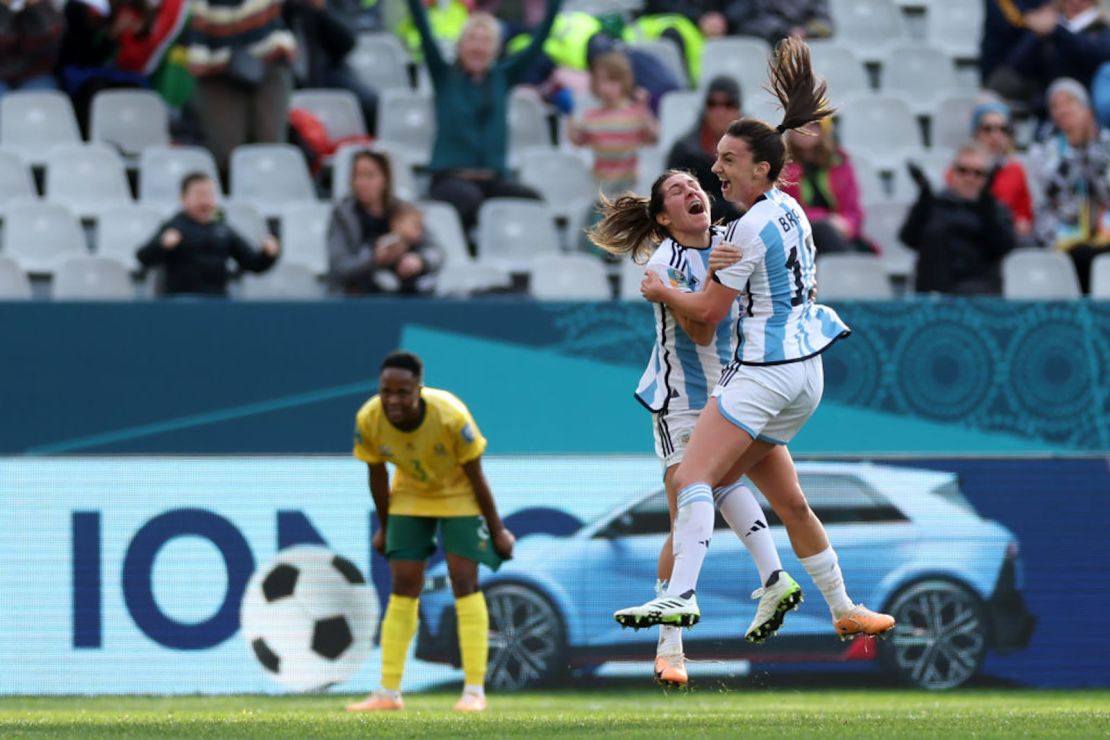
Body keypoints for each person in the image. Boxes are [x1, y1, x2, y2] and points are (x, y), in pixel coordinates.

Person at [614, 38, 894, 642]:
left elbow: (709, 313)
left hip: (761, 370)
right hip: (806, 372)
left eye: (726, 161)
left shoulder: (739, 229)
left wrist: (664, 293)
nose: (714, 172)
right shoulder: (790, 208)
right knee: (785, 499)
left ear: (762, 168)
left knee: (693, 480)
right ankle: (839, 604)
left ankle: (680, 600)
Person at [589, 170, 803, 687]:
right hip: (684, 402)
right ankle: (676, 648)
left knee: (778, 496)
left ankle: (800, 590)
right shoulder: (667, 260)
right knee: (698, 503)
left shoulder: (732, 240)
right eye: (678, 191)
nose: (692, 192)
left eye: (694, 185)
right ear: (664, 218)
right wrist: (676, 290)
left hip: (737, 391)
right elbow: (701, 325)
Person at [345, 351, 515, 713]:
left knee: (463, 582)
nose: (392, 400)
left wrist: (497, 530)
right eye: (385, 391)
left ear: (418, 389)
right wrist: (386, 528)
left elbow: (476, 476)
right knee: (403, 584)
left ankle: (473, 692)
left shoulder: (450, 415)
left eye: (402, 392)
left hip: (459, 495)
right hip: (410, 495)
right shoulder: (369, 418)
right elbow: (377, 476)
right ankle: (388, 694)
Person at [408, 0, 559, 233]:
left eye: (486, 41)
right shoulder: (445, 76)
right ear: (460, 45)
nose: (478, 47)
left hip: (492, 179)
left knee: (532, 200)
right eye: (472, 39)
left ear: (495, 49)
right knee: (469, 198)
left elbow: (539, 41)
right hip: (450, 178)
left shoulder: (503, 77)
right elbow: (423, 29)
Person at [184, 0, 297, 175]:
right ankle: (232, 195)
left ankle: (267, 193)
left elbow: (283, 33)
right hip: (217, 75)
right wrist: (228, 61)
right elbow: (197, 58)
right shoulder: (202, 7)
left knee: (269, 145)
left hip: (268, 66)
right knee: (228, 152)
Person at [1027, 76, 1110, 292]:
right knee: (1081, 256)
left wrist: (1091, 150)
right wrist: (1073, 152)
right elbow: (1051, 193)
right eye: (1055, 105)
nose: (1062, 110)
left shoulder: (1106, 144)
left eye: (1069, 102)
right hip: (1064, 236)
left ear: (1087, 110)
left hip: (1105, 232)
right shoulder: (1044, 150)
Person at [136, 172, 280, 296]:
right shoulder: (174, 226)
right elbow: (143, 258)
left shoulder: (223, 228)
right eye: (199, 195)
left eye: (209, 195)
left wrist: (268, 254)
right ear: (183, 199)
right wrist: (162, 245)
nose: (205, 201)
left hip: (217, 303)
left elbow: (252, 263)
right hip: (180, 303)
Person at [900, 144, 1016, 295]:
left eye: (978, 173)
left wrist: (985, 208)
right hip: (934, 291)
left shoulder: (996, 209)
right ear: (952, 173)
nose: (970, 178)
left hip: (979, 292)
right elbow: (907, 239)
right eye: (963, 171)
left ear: (987, 178)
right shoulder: (933, 204)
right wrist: (923, 200)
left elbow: (1005, 246)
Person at [327, 150, 444, 295]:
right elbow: (340, 267)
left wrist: (419, 260)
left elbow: (436, 252)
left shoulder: (403, 211)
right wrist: (374, 260)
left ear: (385, 180)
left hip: (402, 293)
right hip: (356, 298)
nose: (362, 183)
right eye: (357, 176)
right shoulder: (342, 215)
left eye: (369, 176)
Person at [567, 49, 659, 200]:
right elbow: (578, 141)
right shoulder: (591, 117)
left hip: (629, 187)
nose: (606, 88)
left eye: (612, 81)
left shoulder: (635, 113)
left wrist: (645, 110)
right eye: (601, 82)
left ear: (625, 81)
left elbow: (652, 137)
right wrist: (569, 118)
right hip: (600, 186)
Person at [780, 118, 871, 254]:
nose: (805, 131)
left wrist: (847, 225)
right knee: (822, 230)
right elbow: (785, 210)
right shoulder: (781, 167)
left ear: (823, 130)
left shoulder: (840, 164)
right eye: (798, 126)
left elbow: (853, 211)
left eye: (812, 126)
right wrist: (826, 219)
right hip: (798, 234)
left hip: (838, 233)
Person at [666, 75, 744, 223]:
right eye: (712, 103)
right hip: (698, 233)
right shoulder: (685, 150)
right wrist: (732, 208)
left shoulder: (755, 147)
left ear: (739, 109)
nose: (720, 111)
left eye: (729, 104)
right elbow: (677, 203)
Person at [969, 100, 1035, 241]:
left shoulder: (1016, 169)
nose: (995, 135)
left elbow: (1024, 212)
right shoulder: (962, 167)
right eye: (988, 129)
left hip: (1006, 236)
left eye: (1002, 129)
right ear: (976, 134)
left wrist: (1022, 221)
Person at [0, 0, 64, 99]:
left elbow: (47, 44)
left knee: (42, 103)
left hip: (35, 73)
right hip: (2, 74)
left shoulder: (45, 7)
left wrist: (34, 9)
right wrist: (4, 10)